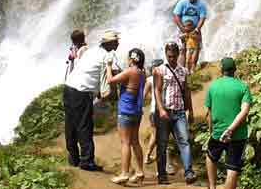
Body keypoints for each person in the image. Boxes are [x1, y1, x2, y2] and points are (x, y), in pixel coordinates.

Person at [63, 29, 120, 171]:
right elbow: (107, 82)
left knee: (70, 123)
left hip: (69, 87)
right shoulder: (106, 57)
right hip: (82, 92)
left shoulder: (92, 50)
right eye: (116, 40)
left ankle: (73, 158)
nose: (118, 42)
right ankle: (87, 161)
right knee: (84, 126)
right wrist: (107, 95)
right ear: (110, 43)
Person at [205, 57, 253, 189]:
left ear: (221, 70)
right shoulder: (243, 86)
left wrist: (211, 131)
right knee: (232, 169)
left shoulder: (213, 86)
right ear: (235, 70)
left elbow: (209, 113)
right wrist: (231, 129)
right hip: (237, 135)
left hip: (218, 132)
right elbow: (245, 111)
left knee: (210, 157)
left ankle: (212, 186)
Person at [154, 41, 196, 185]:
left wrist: (191, 111)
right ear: (166, 54)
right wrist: (160, 109)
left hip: (179, 113)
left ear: (178, 54)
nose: (171, 58)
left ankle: (189, 172)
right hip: (164, 112)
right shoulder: (159, 70)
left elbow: (187, 92)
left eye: (173, 56)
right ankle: (162, 175)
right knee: (162, 144)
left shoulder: (183, 71)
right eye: (169, 56)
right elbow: (157, 90)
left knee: (184, 142)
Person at [106, 48, 146, 185]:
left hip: (126, 110)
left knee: (125, 142)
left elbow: (110, 80)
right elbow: (129, 82)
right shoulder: (142, 72)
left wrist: (108, 66)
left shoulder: (130, 71)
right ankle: (140, 172)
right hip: (137, 111)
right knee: (135, 142)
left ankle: (124, 173)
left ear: (132, 59)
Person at [173, 0, 207, 71]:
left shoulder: (201, 4)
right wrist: (182, 28)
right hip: (183, 28)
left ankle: (193, 69)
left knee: (197, 49)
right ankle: (181, 70)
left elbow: (202, 18)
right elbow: (176, 16)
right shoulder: (182, 2)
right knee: (182, 49)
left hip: (195, 30)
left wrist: (197, 29)